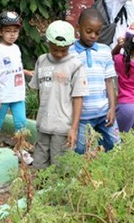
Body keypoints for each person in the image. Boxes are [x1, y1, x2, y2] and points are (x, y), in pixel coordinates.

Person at [29, 20, 89, 168]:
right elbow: (39, 92)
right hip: (43, 124)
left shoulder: (75, 66)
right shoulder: (41, 61)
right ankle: (38, 190)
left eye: (63, 50)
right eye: (55, 49)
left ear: (70, 46)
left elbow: (78, 99)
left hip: (63, 127)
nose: (59, 53)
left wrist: (73, 128)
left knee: (59, 168)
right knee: (39, 165)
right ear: (48, 43)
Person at [69, 8, 120, 154]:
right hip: (82, 116)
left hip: (104, 113)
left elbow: (109, 82)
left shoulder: (104, 51)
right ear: (78, 28)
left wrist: (112, 108)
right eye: (89, 31)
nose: (93, 36)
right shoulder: (70, 52)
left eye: (97, 33)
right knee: (81, 150)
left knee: (116, 145)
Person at [0, 11, 34, 164]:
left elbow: (16, 67)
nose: (12, 35)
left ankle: (21, 150)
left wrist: (26, 71)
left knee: (21, 123)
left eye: (15, 31)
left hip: (18, 93)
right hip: (3, 95)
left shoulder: (16, 48)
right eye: (8, 31)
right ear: (0, 32)